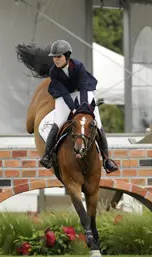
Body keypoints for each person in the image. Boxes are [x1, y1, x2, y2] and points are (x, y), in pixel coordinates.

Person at [39, 40, 118, 174]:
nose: (56, 60)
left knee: (98, 124)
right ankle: (47, 155)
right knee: (58, 123)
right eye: (54, 57)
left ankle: (106, 160)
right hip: (65, 96)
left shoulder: (78, 66)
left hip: (84, 92)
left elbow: (82, 87)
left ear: (67, 56)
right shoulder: (54, 72)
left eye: (58, 57)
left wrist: (83, 107)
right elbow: (64, 93)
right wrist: (74, 110)